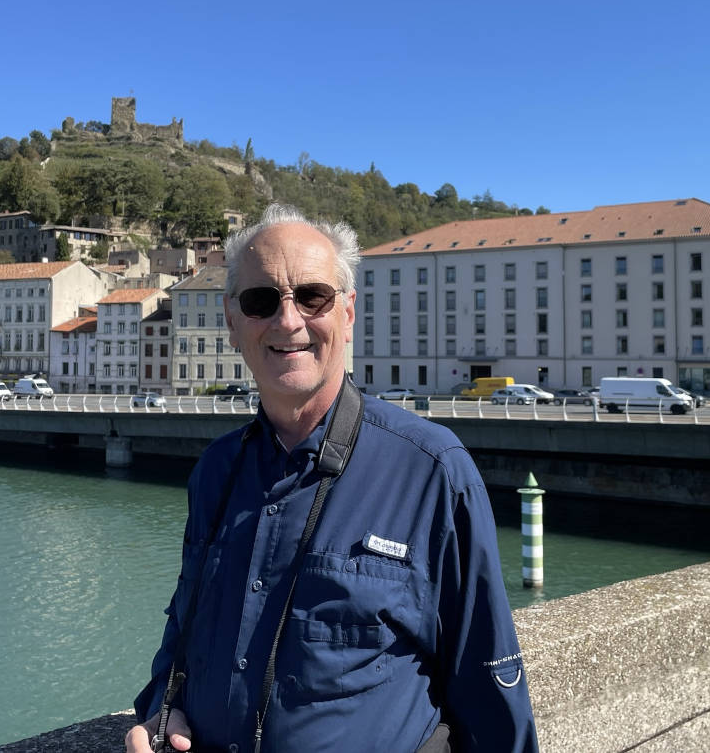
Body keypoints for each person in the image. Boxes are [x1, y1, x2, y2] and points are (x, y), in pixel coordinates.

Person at [127, 204, 538, 753]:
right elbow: (183, 632)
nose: (288, 321)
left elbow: (491, 690)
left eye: (312, 297)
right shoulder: (215, 472)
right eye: (261, 300)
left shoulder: (432, 470)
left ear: (347, 313)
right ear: (232, 321)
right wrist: (164, 706)